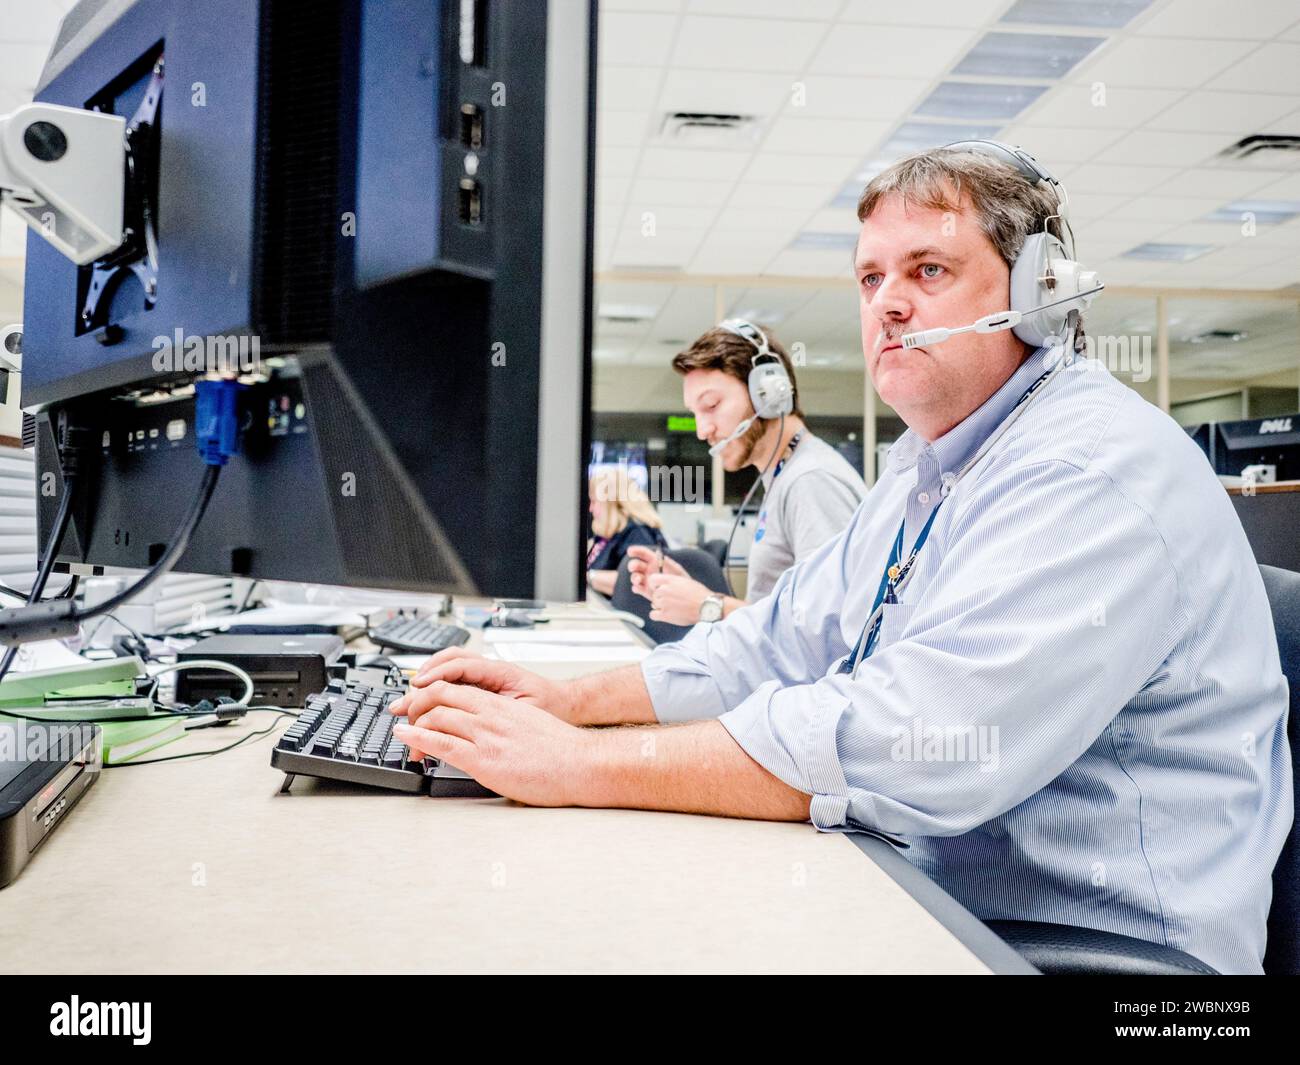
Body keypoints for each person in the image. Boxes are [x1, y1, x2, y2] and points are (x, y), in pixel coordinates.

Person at [390, 143, 1291, 974]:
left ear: (1044, 292)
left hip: (1105, 953)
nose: (887, 302)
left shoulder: (1090, 469)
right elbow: (777, 641)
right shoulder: (924, 468)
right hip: (945, 895)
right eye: (870, 278)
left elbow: (910, 742)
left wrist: (580, 766)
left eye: (927, 270)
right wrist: (565, 701)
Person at [626, 322, 865, 626]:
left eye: (711, 405)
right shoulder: (785, 476)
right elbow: (776, 620)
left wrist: (709, 606)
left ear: (768, 394)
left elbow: (828, 627)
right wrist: (695, 595)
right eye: (695, 414)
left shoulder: (811, 481)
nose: (703, 430)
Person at [585, 467, 668, 597]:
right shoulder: (610, 535)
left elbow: (634, 583)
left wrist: (588, 577)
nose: (590, 508)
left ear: (611, 502)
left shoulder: (638, 534)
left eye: (594, 501)